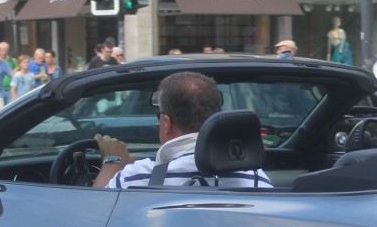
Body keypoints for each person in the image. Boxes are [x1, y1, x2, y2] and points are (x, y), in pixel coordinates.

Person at [93, 71, 272, 189]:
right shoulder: (256, 179)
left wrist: (112, 161)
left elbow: (96, 212)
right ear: (218, 116)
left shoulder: (138, 176)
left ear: (166, 124)